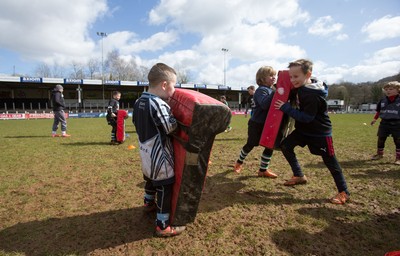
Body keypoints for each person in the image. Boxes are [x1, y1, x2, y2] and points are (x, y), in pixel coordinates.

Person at [274, 59, 350, 205]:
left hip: (320, 133)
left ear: (308, 74)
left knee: (330, 162)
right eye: (291, 77)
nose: (292, 80)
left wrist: (286, 108)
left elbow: (307, 117)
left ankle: (344, 192)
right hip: (303, 130)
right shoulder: (303, 86)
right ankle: (299, 175)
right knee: (285, 146)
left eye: (296, 77)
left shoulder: (312, 94)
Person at [133, 63, 185, 237]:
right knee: (164, 185)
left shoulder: (138, 101)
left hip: (144, 150)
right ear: (164, 85)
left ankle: (148, 203)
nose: (174, 90)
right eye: (173, 85)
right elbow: (171, 128)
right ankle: (162, 225)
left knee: (149, 178)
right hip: (159, 154)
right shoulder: (158, 104)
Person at [233, 66, 277, 178]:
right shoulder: (261, 90)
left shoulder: (271, 90)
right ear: (262, 78)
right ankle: (238, 163)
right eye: (271, 75)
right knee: (251, 144)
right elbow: (265, 105)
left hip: (268, 124)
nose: (274, 77)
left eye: (274, 75)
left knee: (270, 146)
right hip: (256, 124)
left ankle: (263, 170)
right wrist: (275, 93)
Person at [370, 81, 400, 165]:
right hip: (384, 123)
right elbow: (379, 111)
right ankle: (380, 154)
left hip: (397, 123)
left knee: (397, 140)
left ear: (398, 90)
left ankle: (398, 158)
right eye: (386, 89)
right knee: (381, 138)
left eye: (391, 89)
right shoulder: (382, 100)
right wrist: (375, 119)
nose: (388, 91)